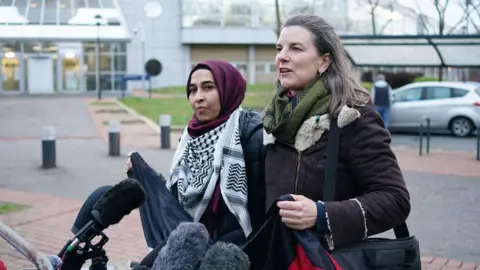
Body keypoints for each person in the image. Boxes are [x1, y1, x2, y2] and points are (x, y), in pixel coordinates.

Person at [263, 14, 411, 250]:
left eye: (296, 48)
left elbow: (395, 200)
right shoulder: (274, 120)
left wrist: (322, 215)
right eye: (279, 48)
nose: (282, 56)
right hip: (277, 257)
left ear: (324, 61)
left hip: (326, 259)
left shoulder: (352, 118)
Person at [125, 59, 266, 267]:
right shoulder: (190, 138)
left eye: (208, 87)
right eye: (192, 90)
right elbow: (176, 203)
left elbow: (262, 212)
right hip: (190, 250)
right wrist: (143, 176)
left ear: (229, 89)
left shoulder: (251, 137)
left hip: (233, 257)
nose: (198, 97)